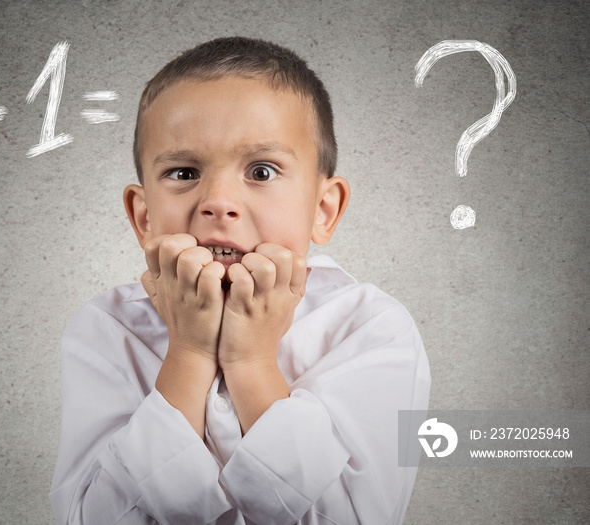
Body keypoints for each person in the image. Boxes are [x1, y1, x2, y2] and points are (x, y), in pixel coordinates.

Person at [50, 37, 430, 525]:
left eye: (262, 170)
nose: (218, 201)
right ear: (143, 217)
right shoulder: (106, 328)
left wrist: (249, 360)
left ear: (323, 208)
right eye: (184, 172)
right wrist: (187, 354)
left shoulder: (371, 328)